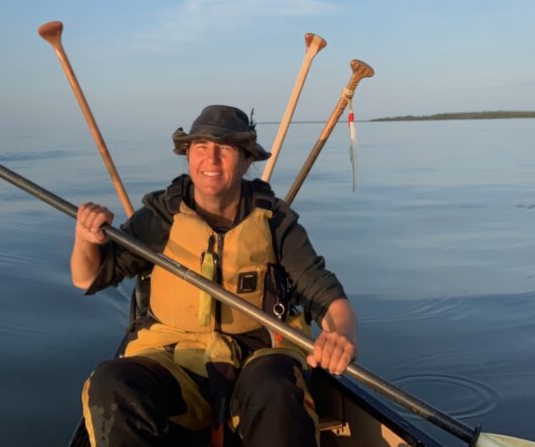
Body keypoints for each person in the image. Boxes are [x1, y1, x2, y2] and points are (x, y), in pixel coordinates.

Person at [71, 105, 358, 447]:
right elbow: (87, 279)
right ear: (188, 154)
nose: (211, 159)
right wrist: (85, 238)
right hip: (174, 358)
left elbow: (330, 300)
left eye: (225, 148)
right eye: (201, 147)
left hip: (258, 358)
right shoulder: (161, 215)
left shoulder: (276, 222)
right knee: (111, 385)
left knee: (277, 389)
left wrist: (341, 336)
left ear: (247, 160)